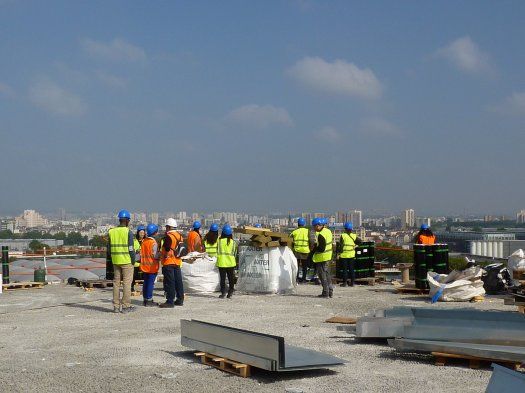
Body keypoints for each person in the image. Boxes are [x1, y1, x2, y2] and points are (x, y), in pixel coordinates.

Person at [107, 209, 136, 313]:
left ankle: (115, 306)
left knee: (116, 283)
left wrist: (114, 258)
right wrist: (133, 261)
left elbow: (109, 249)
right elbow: (131, 249)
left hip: (116, 261)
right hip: (127, 261)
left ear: (119, 220)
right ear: (127, 220)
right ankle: (125, 306)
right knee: (127, 284)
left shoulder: (111, 231)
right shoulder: (128, 232)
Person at [159, 218, 185, 308]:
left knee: (170, 282)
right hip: (177, 262)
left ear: (169, 227)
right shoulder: (179, 236)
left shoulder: (169, 236)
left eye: (166, 227)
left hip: (169, 262)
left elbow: (166, 248)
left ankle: (170, 301)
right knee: (178, 282)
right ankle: (180, 299)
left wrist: (164, 255)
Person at [312, 217, 334, 298]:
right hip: (328, 256)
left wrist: (314, 249)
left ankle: (325, 293)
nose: (314, 228)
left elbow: (321, 248)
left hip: (322, 258)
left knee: (322, 276)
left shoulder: (321, 234)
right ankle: (330, 291)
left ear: (318, 225)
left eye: (314, 226)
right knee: (328, 275)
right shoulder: (328, 231)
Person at [140, 224, 160, 307]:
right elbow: (155, 255)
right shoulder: (153, 243)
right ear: (155, 233)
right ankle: (149, 300)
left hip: (144, 266)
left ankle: (145, 299)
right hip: (151, 266)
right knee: (150, 284)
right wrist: (161, 254)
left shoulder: (144, 241)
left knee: (146, 283)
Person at [337, 222, 362, 287]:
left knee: (345, 269)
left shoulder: (343, 235)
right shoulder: (354, 235)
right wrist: (355, 246)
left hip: (344, 255)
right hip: (351, 254)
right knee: (351, 269)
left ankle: (345, 283)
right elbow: (360, 242)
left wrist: (338, 254)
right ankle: (352, 283)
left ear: (345, 228)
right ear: (351, 229)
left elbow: (341, 246)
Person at [216, 224, 237, 299]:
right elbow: (234, 253)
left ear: (223, 233)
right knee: (231, 278)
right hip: (231, 263)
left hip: (222, 262)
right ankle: (230, 292)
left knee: (222, 278)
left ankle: (223, 293)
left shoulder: (219, 241)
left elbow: (217, 251)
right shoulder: (233, 242)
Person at [290, 218, 311, 283]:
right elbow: (311, 240)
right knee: (305, 266)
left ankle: (296, 279)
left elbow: (290, 240)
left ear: (298, 224)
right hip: (305, 251)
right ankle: (304, 279)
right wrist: (310, 248)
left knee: (297, 266)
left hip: (297, 251)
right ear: (304, 224)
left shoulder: (294, 232)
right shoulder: (307, 231)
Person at [131, 225, 145, 293]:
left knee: (145, 276)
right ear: (138, 233)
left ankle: (145, 289)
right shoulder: (134, 241)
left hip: (144, 261)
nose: (142, 234)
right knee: (133, 275)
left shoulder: (146, 241)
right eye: (140, 232)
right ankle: (131, 287)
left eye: (143, 232)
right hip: (136, 261)